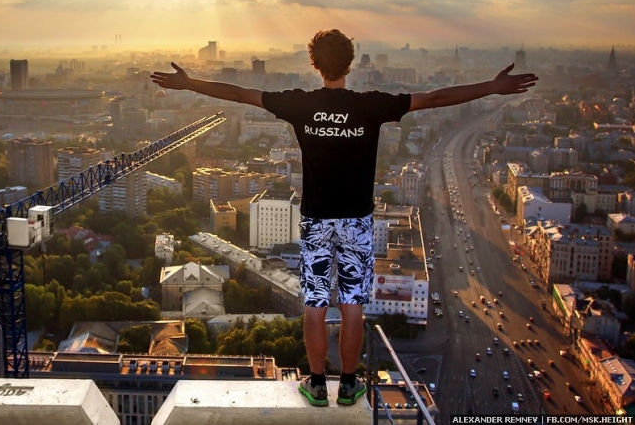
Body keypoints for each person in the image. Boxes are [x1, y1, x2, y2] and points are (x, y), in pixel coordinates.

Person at [150, 29, 538, 407]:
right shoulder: (370, 105)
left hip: (317, 221)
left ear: (315, 64)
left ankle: (317, 385)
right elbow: (434, 98)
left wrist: (189, 83)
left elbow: (237, 93)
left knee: (315, 306)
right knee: (353, 306)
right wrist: (490, 86)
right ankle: (349, 385)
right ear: (349, 63)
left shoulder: (299, 104)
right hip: (356, 222)